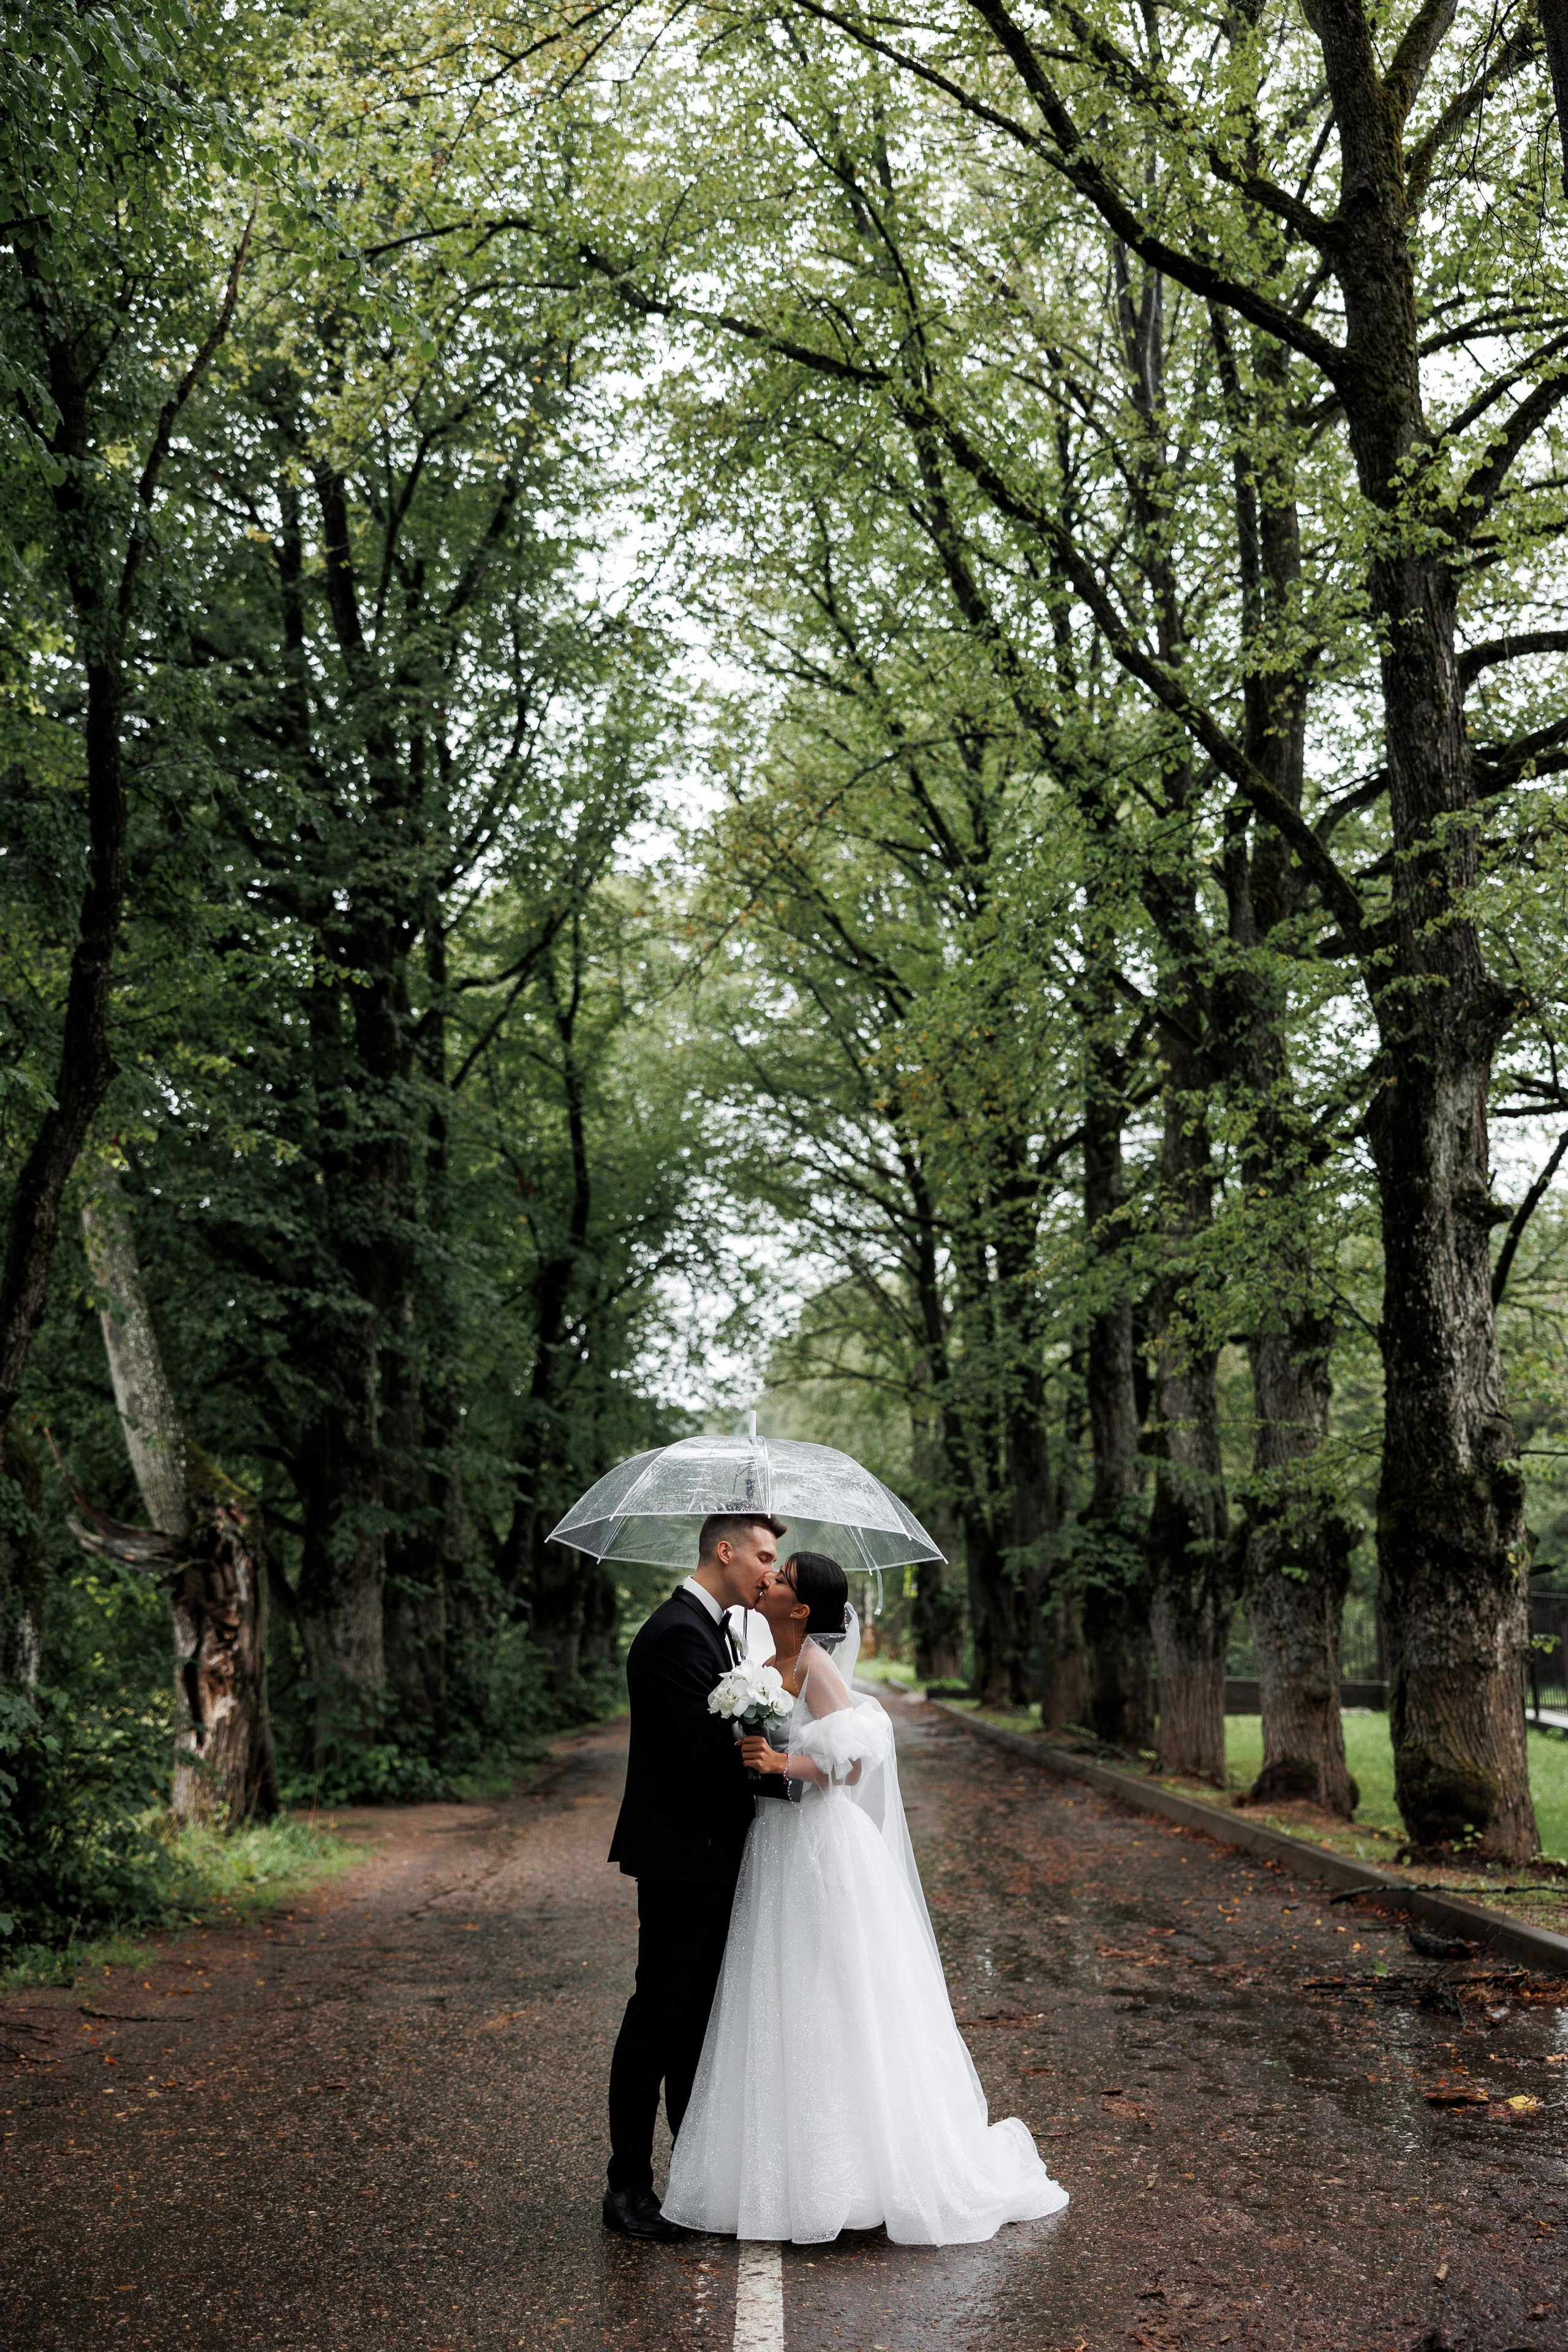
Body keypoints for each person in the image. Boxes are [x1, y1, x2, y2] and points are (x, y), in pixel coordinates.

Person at [662, 1550, 1069, 2245]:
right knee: (778, 1993)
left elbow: (847, 1765)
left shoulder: (817, 1669)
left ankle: (861, 2174)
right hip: (773, 1844)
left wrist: (777, 1761)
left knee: (834, 1992)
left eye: (782, 1578)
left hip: (820, 1846)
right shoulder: (761, 1669)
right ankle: (779, 2171)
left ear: (801, 1610)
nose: (771, 1580)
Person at [601, 1510, 799, 2240]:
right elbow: (705, 1759)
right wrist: (791, 1785)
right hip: (684, 1856)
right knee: (658, 2018)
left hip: (710, 1853)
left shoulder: (711, 1628)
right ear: (726, 1551)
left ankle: (688, 2179)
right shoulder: (673, 1634)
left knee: (694, 2024)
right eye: (763, 1557)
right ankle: (626, 2187)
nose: (771, 1574)